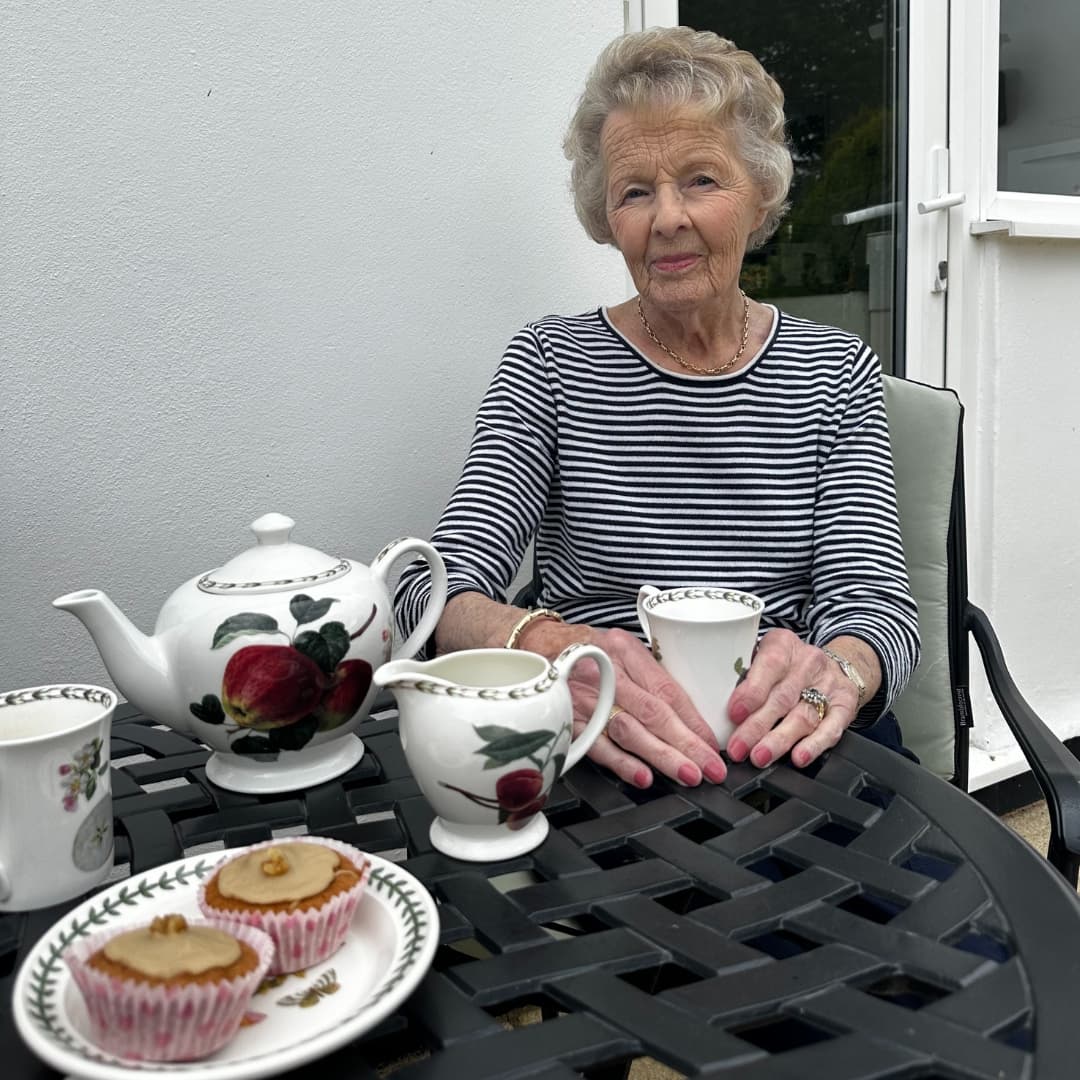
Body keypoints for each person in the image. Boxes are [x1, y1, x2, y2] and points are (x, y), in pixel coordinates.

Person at [395, 26, 919, 791]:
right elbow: (431, 592)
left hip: (791, 742)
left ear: (760, 192)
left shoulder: (834, 371)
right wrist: (551, 648)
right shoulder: (548, 365)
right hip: (600, 738)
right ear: (608, 218)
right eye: (636, 191)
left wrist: (832, 674)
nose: (668, 216)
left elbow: (875, 609)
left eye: (702, 180)